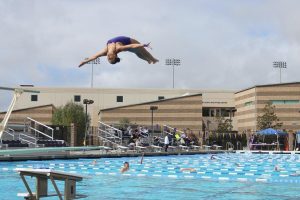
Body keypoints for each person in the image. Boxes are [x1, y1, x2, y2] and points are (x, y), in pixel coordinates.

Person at [78, 36, 159, 66]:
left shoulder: (105, 52)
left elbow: (94, 57)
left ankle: (151, 60)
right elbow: (131, 45)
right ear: (115, 56)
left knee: (139, 52)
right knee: (140, 51)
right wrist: (143, 45)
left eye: (108, 59)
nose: (109, 57)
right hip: (129, 42)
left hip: (128, 43)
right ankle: (152, 59)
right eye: (111, 58)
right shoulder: (118, 48)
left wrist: (84, 62)